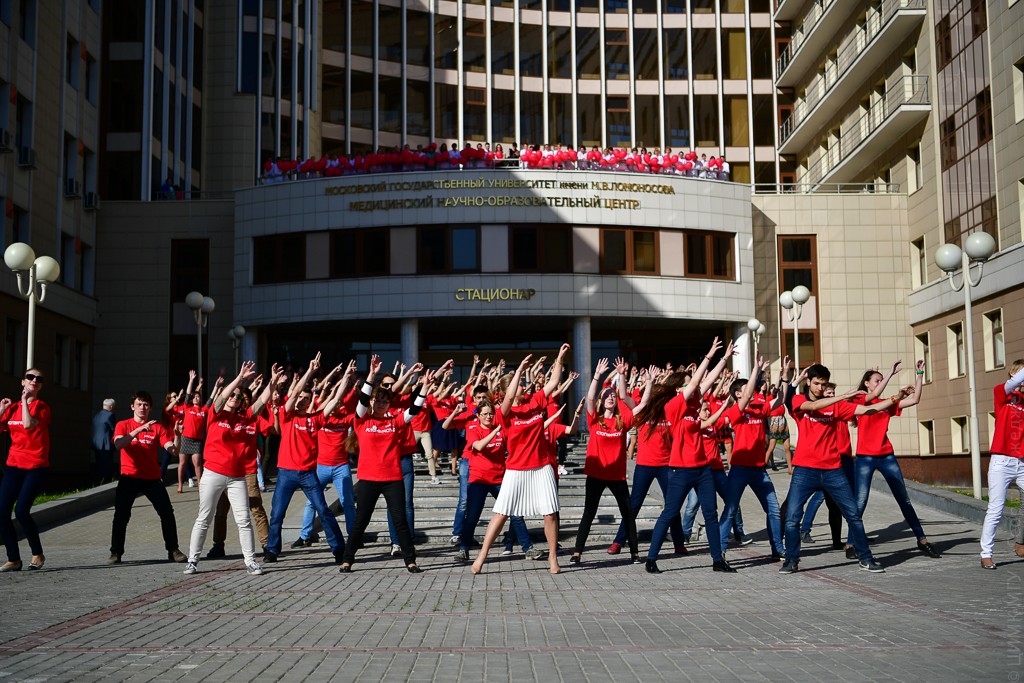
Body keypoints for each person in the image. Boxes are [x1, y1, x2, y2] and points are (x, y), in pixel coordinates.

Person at [779, 364, 898, 575]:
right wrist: (844, 396)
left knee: (853, 515)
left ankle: (866, 559)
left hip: (833, 470)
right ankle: (791, 560)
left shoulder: (837, 406)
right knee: (792, 517)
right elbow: (813, 407)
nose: (819, 388)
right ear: (809, 382)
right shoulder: (800, 401)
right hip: (805, 470)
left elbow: (867, 409)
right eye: (816, 383)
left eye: (823, 385)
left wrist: (894, 399)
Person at [470, 345, 571, 575]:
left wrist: (559, 359)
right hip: (515, 468)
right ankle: (482, 556)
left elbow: (553, 382)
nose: (524, 386)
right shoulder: (503, 413)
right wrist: (518, 372)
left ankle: (553, 559)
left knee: (550, 513)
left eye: (524, 384)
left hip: (541, 465)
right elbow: (507, 399)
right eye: (520, 384)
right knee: (501, 513)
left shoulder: (535, 402)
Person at [643, 338, 736, 574]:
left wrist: (723, 358)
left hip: (703, 469)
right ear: (677, 389)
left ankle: (717, 560)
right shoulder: (672, 406)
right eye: (686, 384)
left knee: (711, 514)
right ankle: (651, 558)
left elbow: (708, 379)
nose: (692, 387)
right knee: (670, 512)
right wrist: (707, 356)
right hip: (680, 470)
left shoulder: (695, 405)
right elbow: (696, 381)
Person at [339, 355, 435, 573]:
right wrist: (371, 376)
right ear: (372, 401)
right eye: (377, 400)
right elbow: (362, 401)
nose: (381, 403)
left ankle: (410, 560)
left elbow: (415, 410)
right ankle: (347, 559)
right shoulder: (362, 420)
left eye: (385, 401)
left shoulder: (395, 421)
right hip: (369, 479)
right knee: (361, 521)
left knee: (400, 520)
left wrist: (425, 388)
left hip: (392, 479)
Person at [183, 361, 280, 576]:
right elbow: (220, 398)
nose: (234, 399)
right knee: (204, 517)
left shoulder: (246, 418)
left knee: (243, 520)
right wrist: (239, 378)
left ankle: (250, 561)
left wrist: (272, 382)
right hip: (213, 473)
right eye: (232, 396)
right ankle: (192, 560)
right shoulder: (215, 414)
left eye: (238, 397)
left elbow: (263, 400)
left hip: (237, 477)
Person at [264, 353, 347, 564]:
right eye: (299, 397)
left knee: (324, 510)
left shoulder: (316, 418)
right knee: (277, 514)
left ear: (311, 403)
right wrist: (310, 371)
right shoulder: (287, 415)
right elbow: (294, 394)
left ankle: (339, 549)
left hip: (309, 474)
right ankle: (272, 550)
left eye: (306, 399)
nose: (301, 400)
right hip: (286, 472)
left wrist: (346, 377)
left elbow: (336, 399)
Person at [570, 359, 655, 565]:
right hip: (596, 475)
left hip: (617, 476)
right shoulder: (594, 419)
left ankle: (635, 553)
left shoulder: (622, 421)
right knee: (588, 514)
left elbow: (642, 404)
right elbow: (590, 397)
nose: (610, 398)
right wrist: (597, 376)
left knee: (627, 514)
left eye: (613, 396)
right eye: (606, 396)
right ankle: (577, 553)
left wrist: (648, 383)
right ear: (602, 401)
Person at [852, 360, 940, 558]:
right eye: (876, 380)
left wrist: (919, 373)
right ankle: (851, 543)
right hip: (865, 458)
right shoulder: (861, 401)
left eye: (881, 381)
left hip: (886, 456)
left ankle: (922, 540)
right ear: (866, 383)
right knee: (860, 502)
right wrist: (890, 373)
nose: (879, 383)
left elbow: (915, 399)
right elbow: (874, 395)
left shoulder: (888, 405)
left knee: (904, 499)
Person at [715, 354, 787, 561]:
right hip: (739, 469)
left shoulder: (759, 408)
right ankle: (719, 551)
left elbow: (780, 400)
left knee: (773, 509)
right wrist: (756, 369)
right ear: (738, 394)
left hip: (759, 470)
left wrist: (784, 378)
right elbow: (746, 397)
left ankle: (777, 549)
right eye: (746, 389)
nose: (751, 392)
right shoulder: (735, 411)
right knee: (730, 510)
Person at [108, 390, 188, 564]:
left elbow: (172, 450)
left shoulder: (157, 428)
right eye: (139, 404)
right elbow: (119, 445)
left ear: (150, 408)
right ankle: (116, 553)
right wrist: (138, 430)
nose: (142, 407)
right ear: (132, 407)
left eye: (146, 405)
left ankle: (173, 550)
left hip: (152, 478)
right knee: (121, 515)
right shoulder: (123, 425)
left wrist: (177, 435)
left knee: (167, 513)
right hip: (129, 477)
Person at [0, 369, 52, 572]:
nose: (34, 381)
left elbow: (29, 424)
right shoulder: (11, 408)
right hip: (13, 465)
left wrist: (23, 403)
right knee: (2, 512)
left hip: (36, 466)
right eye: (30, 377)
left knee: (21, 510)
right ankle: (13, 559)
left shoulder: (43, 407)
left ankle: (37, 553)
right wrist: (2, 410)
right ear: (23, 382)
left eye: (39, 379)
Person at [980, 359, 1024, 569]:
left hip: (1022, 461)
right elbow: (1011, 385)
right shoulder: (1002, 395)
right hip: (1002, 461)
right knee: (995, 509)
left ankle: (1020, 541)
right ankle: (986, 553)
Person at [92, 398, 117, 485]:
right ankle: (106, 481)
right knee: (107, 465)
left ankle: (98, 480)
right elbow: (114, 430)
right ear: (111, 407)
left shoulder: (97, 415)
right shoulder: (110, 415)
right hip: (106, 444)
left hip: (96, 444)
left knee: (99, 464)